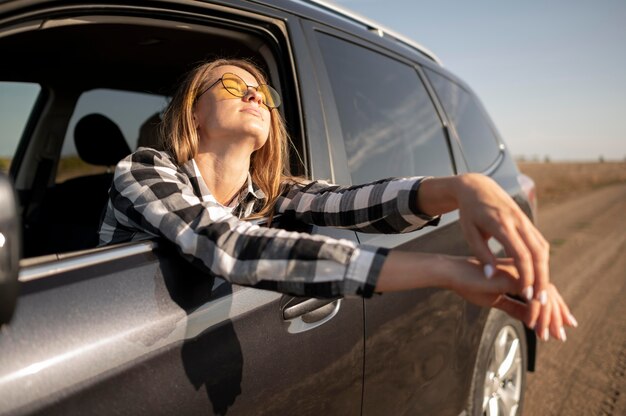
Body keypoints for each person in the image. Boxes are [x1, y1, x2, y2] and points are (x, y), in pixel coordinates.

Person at [99, 58, 577, 342]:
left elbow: (356, 202)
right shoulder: (144, 169)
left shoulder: (275, 194)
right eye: (231, 85)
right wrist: (447, 270)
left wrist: (464, 187)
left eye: (262, 92)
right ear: (195, 112)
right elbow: (228, 245)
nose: (253, 95)